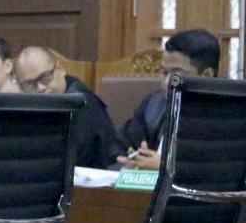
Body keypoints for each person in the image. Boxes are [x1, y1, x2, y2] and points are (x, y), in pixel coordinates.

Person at [116, 29, 220, 171]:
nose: (166, 82)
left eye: (177, 75)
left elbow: (222, 170)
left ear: (206, 75)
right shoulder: (155, 104)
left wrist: (167, 168)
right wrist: (133, 160)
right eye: (164, 73)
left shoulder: (230, 114)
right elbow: (120, 148)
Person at [13, 46, 121, 169]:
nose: (40, 88)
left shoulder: (83, 105)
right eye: (29, 84)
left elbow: (69, 162)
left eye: (45, 77)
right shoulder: (27, 106)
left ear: (60, 69)